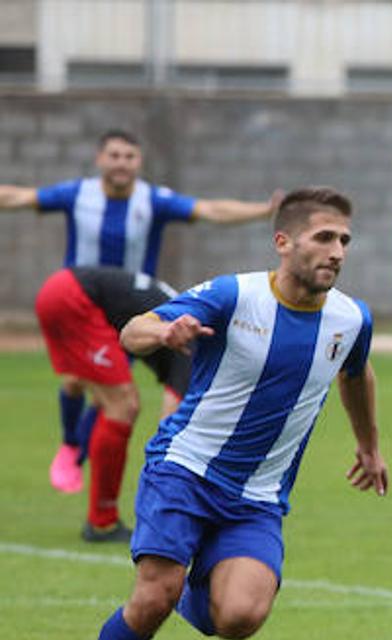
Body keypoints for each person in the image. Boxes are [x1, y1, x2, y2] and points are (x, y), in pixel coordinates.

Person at [55, 187, 386, 640]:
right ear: (283, 242)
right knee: (152, 597)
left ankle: (187, 580)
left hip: (257, 497)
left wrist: (368, 445)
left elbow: (356, 375)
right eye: (323, 237)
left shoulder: (352, 319)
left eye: (345, 241)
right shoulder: (235, 295)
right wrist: (164, 332)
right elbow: (133, 329)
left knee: (239, 618)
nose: (336, 251)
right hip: (184, 469)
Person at [0, 128, 277, 499]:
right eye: (114, 156)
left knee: (109, 397)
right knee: (75, 383)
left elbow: (209, 209)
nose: (121, 163)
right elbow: (18, 196)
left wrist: (262, 211)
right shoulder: (76, 194)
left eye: (129, 157)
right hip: (80, 305)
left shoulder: (153, 201)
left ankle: (84, 467)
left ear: (139, 162)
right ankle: (70, 447)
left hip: (129, 311)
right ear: (100, 159)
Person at [33, 266, 192, 543]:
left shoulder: (188, 317)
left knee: (87, 386)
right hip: (75, 299)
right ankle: (102, 522)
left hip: (59, 288)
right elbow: (169, 428)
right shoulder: (194, 351)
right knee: (124, 405)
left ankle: (71, 447)